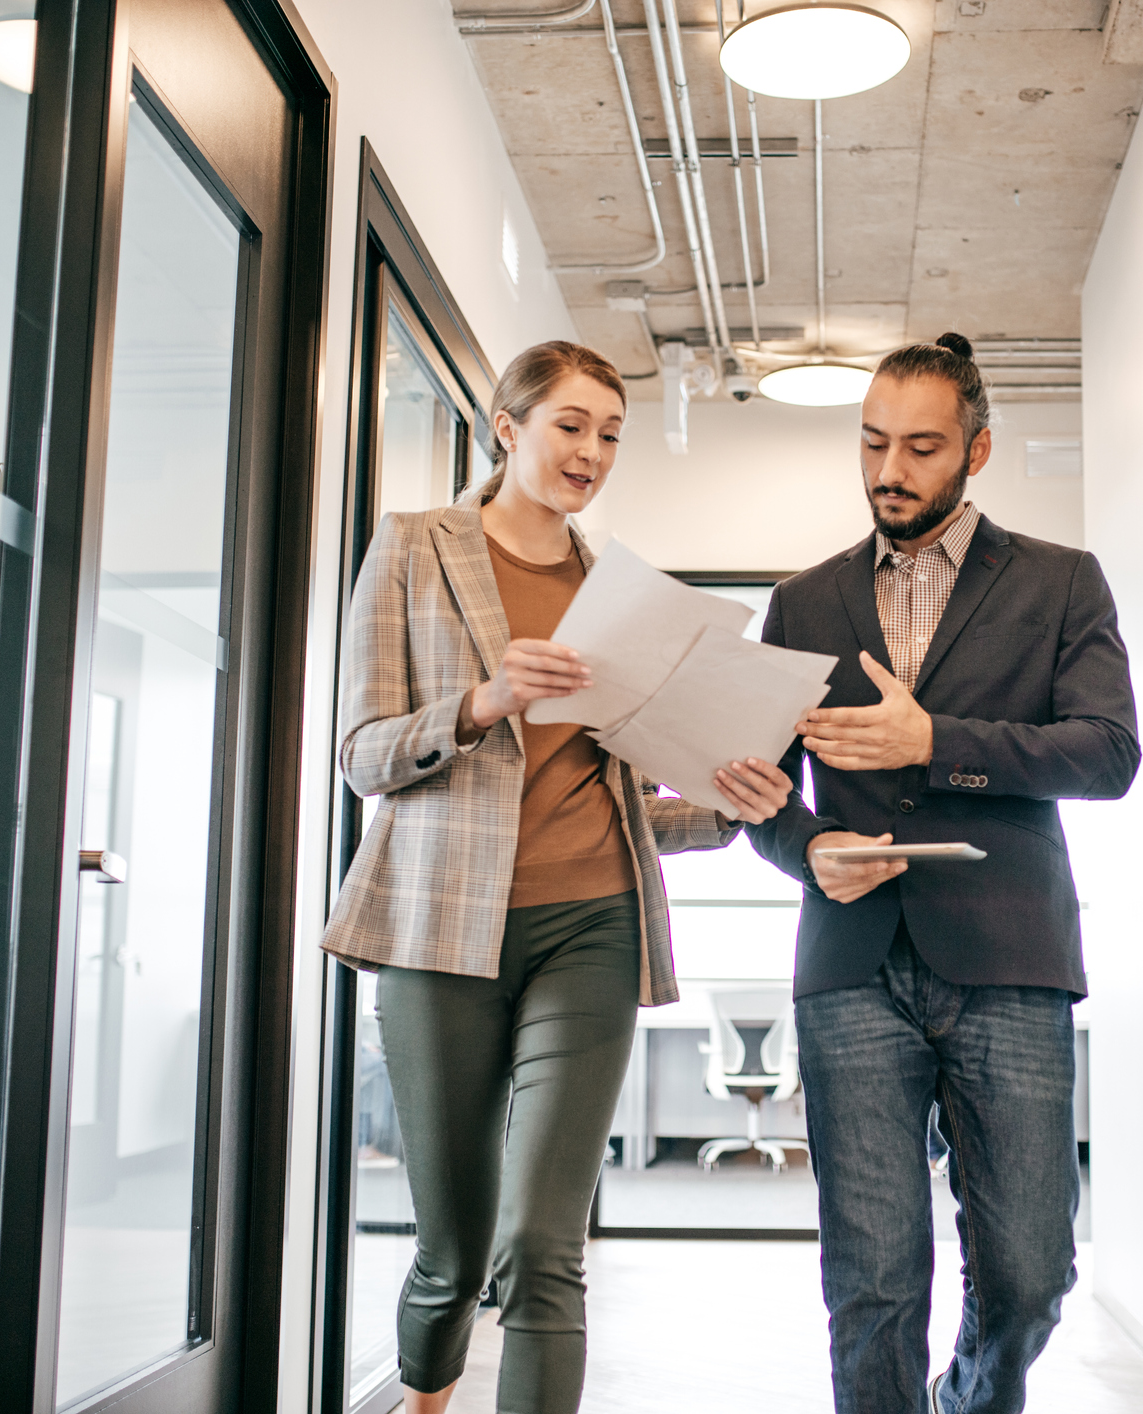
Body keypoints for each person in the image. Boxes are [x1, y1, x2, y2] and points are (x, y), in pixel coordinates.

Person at [319, 340, 794, 1414]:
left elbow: (632, 801)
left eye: (611, 434)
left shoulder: (612, 590)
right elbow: (360, 756)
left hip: (592, 925)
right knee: (452, 1248)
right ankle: (426, 1396)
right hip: (438, 933)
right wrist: (480, 704)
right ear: (508, 425)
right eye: (571, 425)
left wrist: (726, 800)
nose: (592, 451)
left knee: (544, 1242)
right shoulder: (411, 548)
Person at [745, 333, 1140, 1414]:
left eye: (920, 446)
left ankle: (966, 1397)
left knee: (1027, 1273)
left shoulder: (1061, 582)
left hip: (1009, 956)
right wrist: (805, 845)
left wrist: (936, 742)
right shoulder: (800, 601)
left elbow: (1107, 753)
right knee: (869, 1279)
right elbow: (761, 791)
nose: (890, 468)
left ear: (976, 451)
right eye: (872, 442)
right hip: (850, 965)